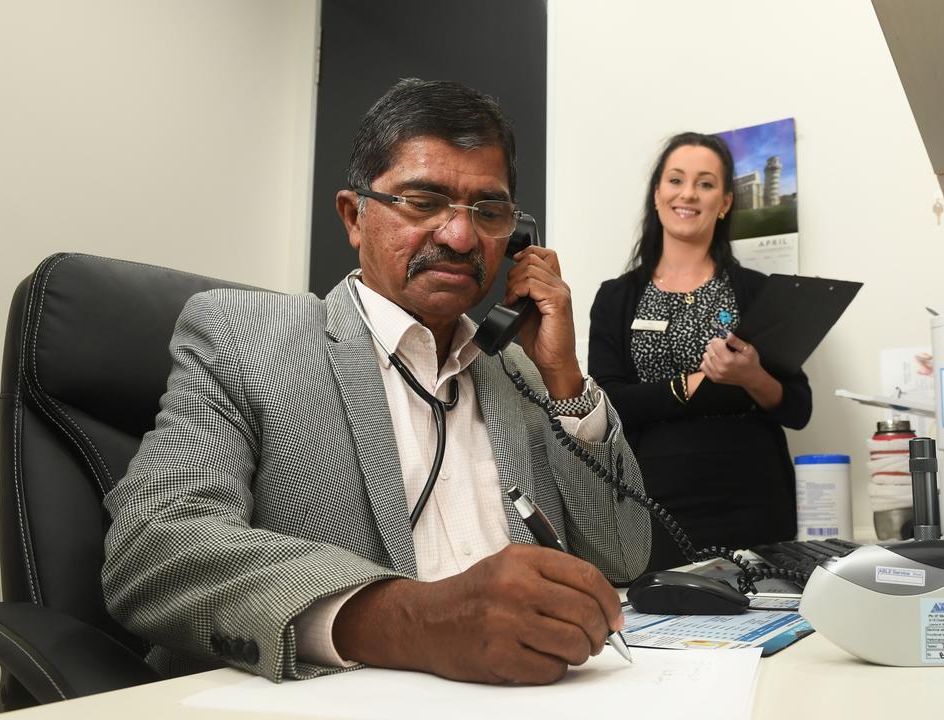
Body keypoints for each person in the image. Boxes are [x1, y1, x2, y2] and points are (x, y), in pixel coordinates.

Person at [102, 79, 650, 686]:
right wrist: (417, 621)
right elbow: (153, 547)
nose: (461, 237)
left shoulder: (519, 373)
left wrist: (566, 380)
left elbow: (623, 553)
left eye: (488, 212)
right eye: (423, 202)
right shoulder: (241, 335)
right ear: (353, 216)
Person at [588, 132, 811, 572]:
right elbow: (608, 404)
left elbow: (798, 407)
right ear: (657, 195)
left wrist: (752, 378)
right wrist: (695, 385)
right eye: (676, 180)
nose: (688, 193)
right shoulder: (616, 297)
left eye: (705, 184)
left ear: (725, 202)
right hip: (652, 507)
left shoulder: (757, 291)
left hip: (754, 501)